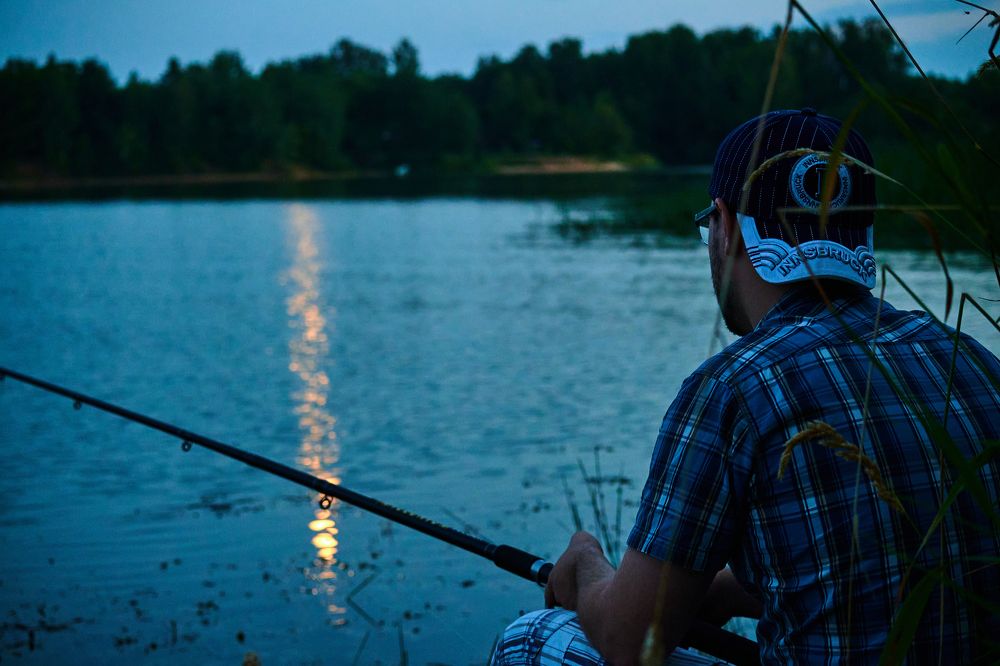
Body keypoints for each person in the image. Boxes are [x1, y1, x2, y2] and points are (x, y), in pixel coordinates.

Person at [490, 108, 1000, 665]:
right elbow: (894, 564)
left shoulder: (734, 388)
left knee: (534, 640)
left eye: (710, 225)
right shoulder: (970, 360)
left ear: (727, 226)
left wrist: (586, 561)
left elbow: (627, 642)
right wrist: (718, 591)